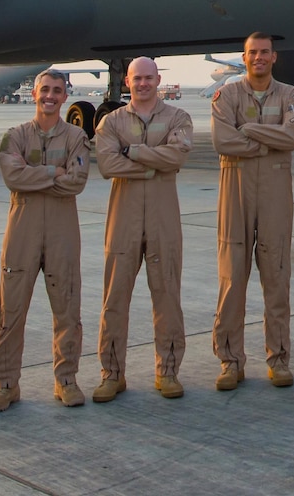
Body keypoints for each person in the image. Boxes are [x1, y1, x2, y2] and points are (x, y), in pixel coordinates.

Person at [0, 70, 91, 412]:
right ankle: (5, 384)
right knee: (11, 306)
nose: (50, 95)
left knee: (67, 305)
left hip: (62, 228)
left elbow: (77, 182)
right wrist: (52, 172)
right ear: (34, 93)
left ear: (64, 96)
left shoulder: (76, 136)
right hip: (23, 226)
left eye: (57, 91)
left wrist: (37, 177)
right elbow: (12, 177)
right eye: (44, 89)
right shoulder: (15, 136)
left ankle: (66, 380)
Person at [93, 56, 193, 401]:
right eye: (137, 79)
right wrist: (154, 164)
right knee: (114, 298)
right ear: (128, 82)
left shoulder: (177, 117)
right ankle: (111, 374)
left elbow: (177, 157)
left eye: (149, 78)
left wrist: (132, 152)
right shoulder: (111, 121)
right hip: (124, 216)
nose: (143, 84)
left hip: (164, 217)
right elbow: (107, 164)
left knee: (166, 295)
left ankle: (167, 371)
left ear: (158, 79)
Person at [211, 33, 294, 390]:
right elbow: (223, 141)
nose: (259, 58)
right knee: (232, 279)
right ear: (244, 57)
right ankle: (230, 361)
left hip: (275, 193)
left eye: (264, 52)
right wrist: (270, 137)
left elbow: (293, 138)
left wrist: (248, 129)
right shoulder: (227, 95)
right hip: (235, 189)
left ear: (274, 56)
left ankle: (278, 359)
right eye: (253, 53)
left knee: (276, 278)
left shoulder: (291, 96)